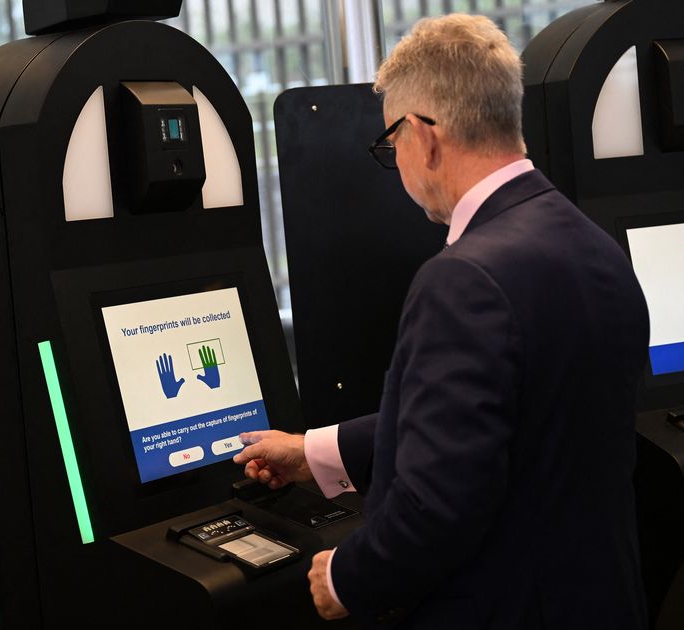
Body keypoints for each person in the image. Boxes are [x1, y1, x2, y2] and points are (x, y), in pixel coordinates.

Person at [233, 13, 651, 629]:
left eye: (390, 144)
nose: (397, 162)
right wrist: (314, 451)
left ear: (423, 136)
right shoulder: (592, 244)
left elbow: (438, 504)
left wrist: (347, 578)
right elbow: (508, 419)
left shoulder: (464, 279)